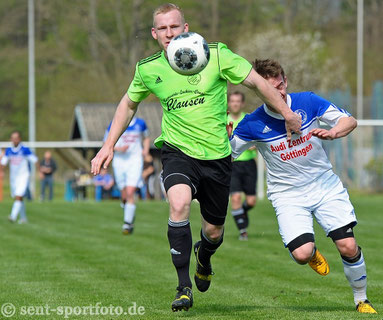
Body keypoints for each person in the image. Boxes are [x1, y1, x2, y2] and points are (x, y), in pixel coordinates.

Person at [90, 3, 301, 312]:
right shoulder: (148, 69)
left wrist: (286, 113)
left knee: (214, 232)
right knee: (178, 204)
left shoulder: (216, 55)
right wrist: (108, 144)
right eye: (162, 28)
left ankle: (205, 256)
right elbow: (128, 104)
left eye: (174, 26)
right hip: (177, 152)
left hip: (217, 156)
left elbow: (256, 82)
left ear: (185, 28)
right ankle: (183, 287)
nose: (168, 33)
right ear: (154, 33)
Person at [229, 59, 377, 314]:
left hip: (324, 186)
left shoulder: (307, 102)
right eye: (271, 89)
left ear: (286, 81)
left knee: (348, 246)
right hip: (288, 196)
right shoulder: (252, 124)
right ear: (260, 90)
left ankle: (361, 300)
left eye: (281, 86)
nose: (279, 92)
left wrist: (334, 133)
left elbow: (349, 121)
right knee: (301, 254)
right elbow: (226, 155)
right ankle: (311, 252)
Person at [104, 117, 149, 234]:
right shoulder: (114, 123)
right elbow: (106, 143)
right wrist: (119, 148)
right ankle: (129, 210)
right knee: (124, 194)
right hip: (119, 161)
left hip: (135, 161)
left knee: (130, 192)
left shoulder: (141, 123)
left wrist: (146, 150)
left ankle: (127, 224)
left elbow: (147, 137)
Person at [227, 91, 257, 240]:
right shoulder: (223, 120)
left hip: (249, 164)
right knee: (236, 198)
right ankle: (242, 231)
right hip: (232, 164)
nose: (235, 104)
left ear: (242, 103)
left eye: (238, 101)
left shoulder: (249, 119)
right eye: (232, 101)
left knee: (251, 201)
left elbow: (258, 137)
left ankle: (241, 213)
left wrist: (254, 144)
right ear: (229, 103)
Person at [1, 131, 38, 224]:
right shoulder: (9, 150)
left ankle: (13, 216)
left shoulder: (25, 149)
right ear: (11, 139)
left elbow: (35, 160)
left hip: (23, 176)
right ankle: (23, 218)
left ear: (20, 139)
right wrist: (1, 172)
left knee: (18, 196)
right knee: (17, 197)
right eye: (13, 138)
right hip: (13, 178)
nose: (14, 140)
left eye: (16, 138)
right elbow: (3, 163)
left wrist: (40, 171)